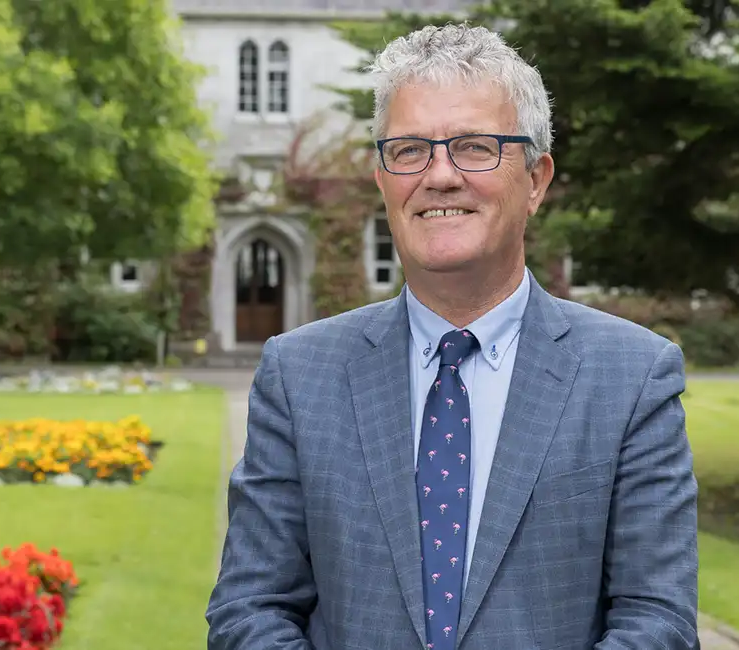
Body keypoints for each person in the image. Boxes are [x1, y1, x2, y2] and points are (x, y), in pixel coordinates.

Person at [207, 24, 699, 650]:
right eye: (410, 150)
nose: (439, 176)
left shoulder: (632, 377)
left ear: (537, 180)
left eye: (473, 147)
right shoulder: (299, 374)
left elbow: (658, 622)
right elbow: (250, 609)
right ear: (383, 177)